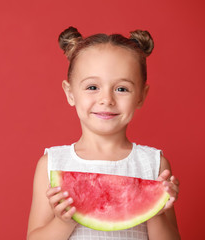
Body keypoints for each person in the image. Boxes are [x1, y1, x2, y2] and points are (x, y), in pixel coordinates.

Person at [27, 26, 180, 240]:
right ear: (70, 93)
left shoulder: (153, 163)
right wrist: (65, 221)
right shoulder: (52, 163)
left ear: (141, 96)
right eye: (92, 87)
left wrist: (154, 207)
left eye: (121, 89)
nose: (106, 99)